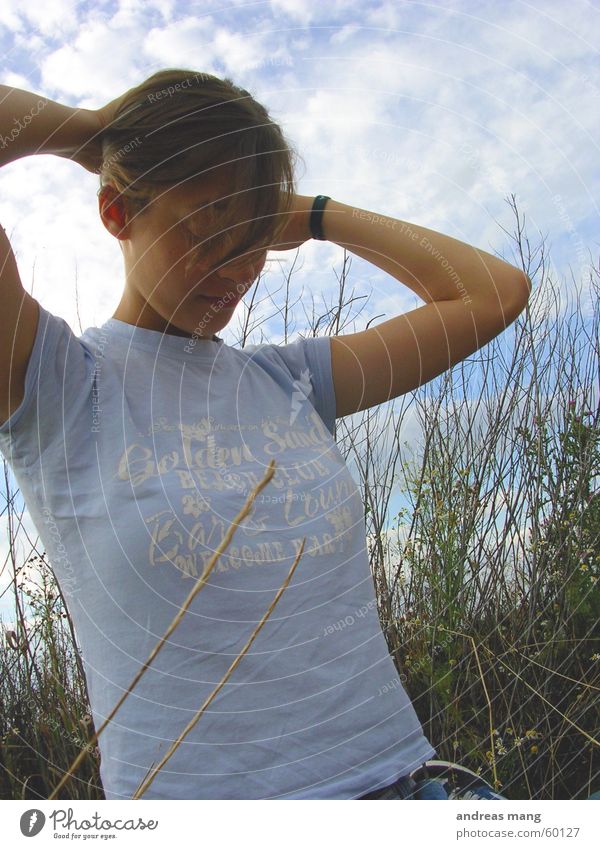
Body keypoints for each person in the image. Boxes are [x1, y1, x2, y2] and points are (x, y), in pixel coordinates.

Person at [0, 69, 530, 800]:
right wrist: (102, 134)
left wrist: (316, 214)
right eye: (205, 231)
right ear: (117, 212)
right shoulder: (55, 383)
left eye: (253, 239)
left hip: (412, 791)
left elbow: (492, 292)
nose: (237, 268)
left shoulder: (291, 383)